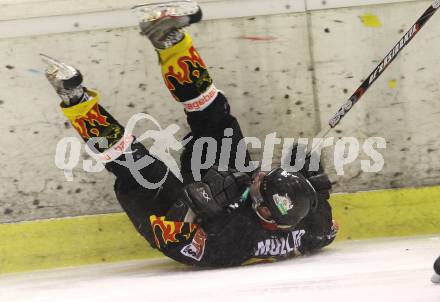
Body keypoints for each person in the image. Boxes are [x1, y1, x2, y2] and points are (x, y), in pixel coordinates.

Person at [42, 0, 338, 267]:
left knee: (137, 165)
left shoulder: (228, 241)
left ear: (263, 211)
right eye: (263, 176)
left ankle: (74, 98)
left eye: (259, 185)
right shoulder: (312, 225)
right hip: (232, 200)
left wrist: (205, 208)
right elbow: (324, 225)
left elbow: (207, 235)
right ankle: (168, 39)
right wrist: (312, 181)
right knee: (215, 118)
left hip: (186, 226)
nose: (258, 176)